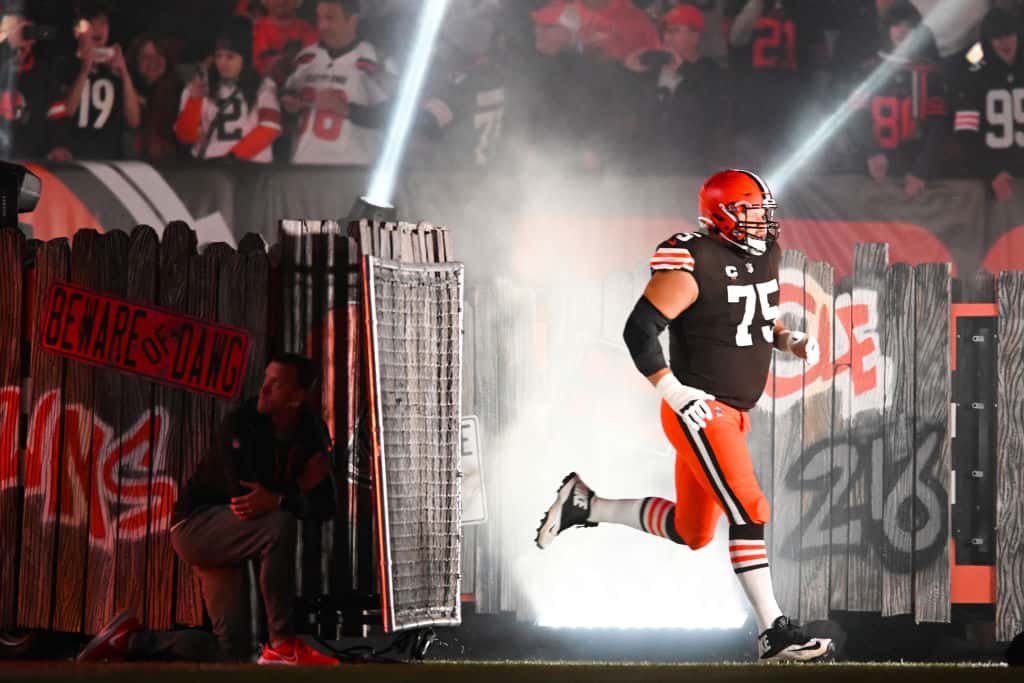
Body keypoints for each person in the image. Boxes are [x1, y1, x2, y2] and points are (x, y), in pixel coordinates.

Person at [536, 169, 834, 663]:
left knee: (693, 532)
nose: (763, 223)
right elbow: (640, 331)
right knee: (750, 508)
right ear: (723, 214)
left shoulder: (766, 256)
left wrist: (788, 339)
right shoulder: (692, 259)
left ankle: (587, 505)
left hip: (733, 412)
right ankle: (773, 631)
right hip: (700, 409)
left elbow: (756, 315)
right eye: (751, 213)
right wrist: (673, 391)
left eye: (764, 212)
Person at [77, 354, 338, 665]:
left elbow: (325, 508)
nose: (264, 389)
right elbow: (246, 502)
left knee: (233, 651)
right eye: (265, 379)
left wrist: (281, 497)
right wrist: (293, 493)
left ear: (297, 397)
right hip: (196, 526)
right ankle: (282, 642)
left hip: (229, 535)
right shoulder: (243, 424)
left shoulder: (312, 433)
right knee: (280, 524)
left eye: (276, 384)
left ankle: (130, 641)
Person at [847, 1, 946, 198]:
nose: (902, 31)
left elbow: (939, 125)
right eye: (897, 24)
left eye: (909, 26)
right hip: (873, 170)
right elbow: (856, 117)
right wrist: (872, 153)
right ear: (887, 29)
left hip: (917, 172)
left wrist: (922, 169)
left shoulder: (930, 72)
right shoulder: (868, 70)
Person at [283, 0, 393, 165]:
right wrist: (290, 104)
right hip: (303, 166)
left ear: (352, 21)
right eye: (320, 18)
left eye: (330, 18)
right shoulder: (305, 57)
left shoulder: (377, 59)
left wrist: (347, 109)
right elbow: (286, 95)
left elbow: (396, 116)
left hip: (353, 168)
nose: (323, 26)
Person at [625, 4, 732, 174]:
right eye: (666, 32)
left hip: (690, 165)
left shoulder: (709, 70)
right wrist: (630, 68)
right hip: (647, 163)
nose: (668, 38)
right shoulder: (654, 69)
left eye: (674, 31)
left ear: (695, 36)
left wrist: (683, 68)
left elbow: (715, 101)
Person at [174, 18, 283, 162]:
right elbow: (185, 137)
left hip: (251, 169)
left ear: (244, 58)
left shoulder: (263, 85)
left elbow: (271, 127)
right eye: (218, 56)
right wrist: (194, 101)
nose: (222, 63)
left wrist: (233, 158)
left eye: (230, 56)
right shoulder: (197, 87)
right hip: (208, 169)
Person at [50, 0, 140, 160]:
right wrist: (85, 69)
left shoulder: (117, 67)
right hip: (74, 161)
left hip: (110, 160)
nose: (98, 28)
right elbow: (65, 113)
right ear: (77, 31)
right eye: (91, 23)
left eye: (103, 23)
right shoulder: (64, 65)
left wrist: (124, 73)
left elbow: (134, 120)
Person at [952, 7, 1024, 201]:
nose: (1004, 42)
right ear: (988, 41)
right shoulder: (974, 77)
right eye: (997, 36)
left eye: (1009, 34)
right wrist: (991, 172)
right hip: (992, 183)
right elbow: (966, 134)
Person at [0, 10, 68, 160]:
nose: (22, 37)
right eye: (16, 30)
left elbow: (57, 114)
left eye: (25, 31)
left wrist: (58, 145)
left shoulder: (43, 73)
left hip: (32, 163)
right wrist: (7, 46)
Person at [126, 33, 183, 162]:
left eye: (159, 55)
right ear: (135, 63)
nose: (153, 61)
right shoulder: (128, 90)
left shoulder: (178, 91)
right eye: (146, 57)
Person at [252, 0, 318, 84]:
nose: (282, 1)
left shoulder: (307, 30)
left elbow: (313, 63)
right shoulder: (256, 30)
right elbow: (258, 65)